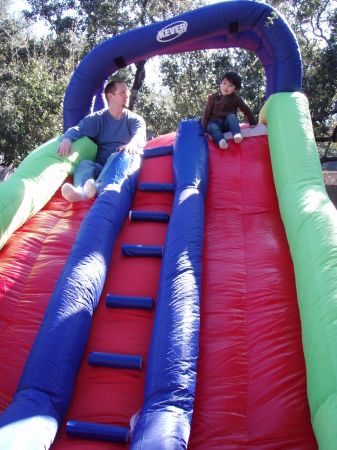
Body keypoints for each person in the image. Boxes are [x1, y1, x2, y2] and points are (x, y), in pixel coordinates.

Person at [57, 80, 146, 202]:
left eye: (128, 93)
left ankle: (97, 187)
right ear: (110, 96)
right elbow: (78, 129)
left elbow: (139, 135)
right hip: (101, 167)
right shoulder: (98, 118)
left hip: (121, 166)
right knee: (84, 165)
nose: (127, 96)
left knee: (115, 155)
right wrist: (67, 138)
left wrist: (132, 144)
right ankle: (81, 191)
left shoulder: (134, 119)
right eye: (122, 93)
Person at [201, 72, 256, 150]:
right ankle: (221, 141)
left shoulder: (236, 99)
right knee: (211, 127)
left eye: (230, 85)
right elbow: (206, 113)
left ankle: (236, 134)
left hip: (227, 124)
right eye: (224, 83)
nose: (226, 87)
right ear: (221, 83)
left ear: (236, 89)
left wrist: (252, 122)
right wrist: (204, 129)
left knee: (232, 116)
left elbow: (246, 109)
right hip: (214, 123)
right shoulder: (213, 97)